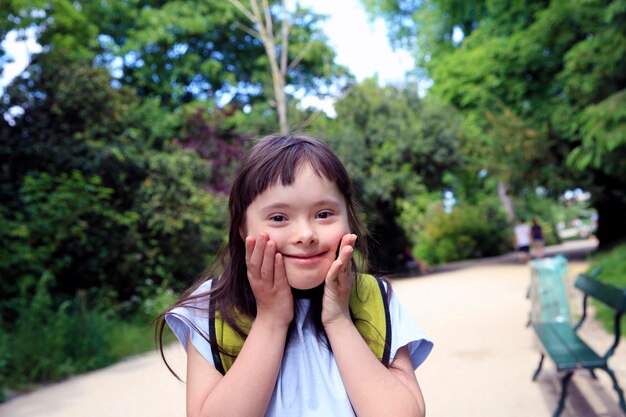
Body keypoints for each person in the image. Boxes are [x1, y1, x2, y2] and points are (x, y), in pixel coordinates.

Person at [156, 134, 433, 417]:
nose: (305, 235)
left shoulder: (375, 299)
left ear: (348, 218)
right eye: (278, 218)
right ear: (243, 230)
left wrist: (338, 319)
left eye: (324, 214)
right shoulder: (211, 309)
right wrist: (271, 318)